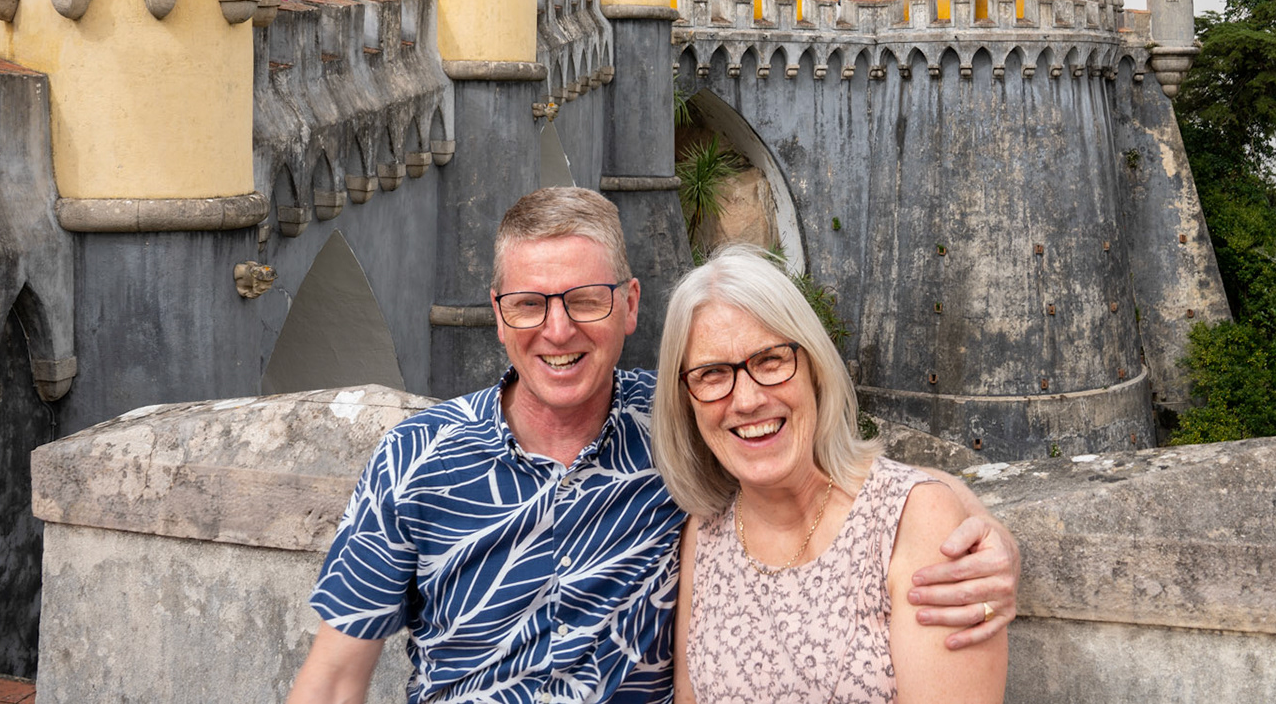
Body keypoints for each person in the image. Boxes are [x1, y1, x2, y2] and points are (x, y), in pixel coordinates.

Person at [286, 188, 1019, 704]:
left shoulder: (675, 429)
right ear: (500, 317)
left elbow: (834, 469)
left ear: (630, 304)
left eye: (585, 299)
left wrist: (978, 524)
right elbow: (334, 680)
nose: (558, 329)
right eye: (530, 304)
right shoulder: (417, 457)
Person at [658, 247, 1009, 704]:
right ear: (685, 399)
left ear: (815, 368)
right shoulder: (704, 535)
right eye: (712, 374)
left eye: (769, 360)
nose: (747, 400)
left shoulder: (912, 522)